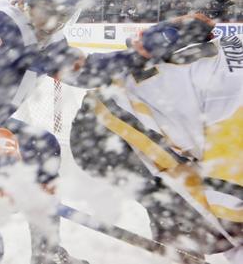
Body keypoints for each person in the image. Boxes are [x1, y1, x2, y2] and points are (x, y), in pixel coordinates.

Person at [0, 0, 209, 264]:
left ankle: (47, 253)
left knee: (42, 147)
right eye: (49, 11)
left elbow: (87, 73)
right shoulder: (0, 20)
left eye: (63, 14)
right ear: (25, 1)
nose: (54, 22)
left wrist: (158, 42)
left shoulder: (43, 34)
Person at [70, 21, 242, 263]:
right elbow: (228, 211)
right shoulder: (236, 111)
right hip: (106, 131)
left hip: (123, 117)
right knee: (197, 222)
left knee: (183, 214)